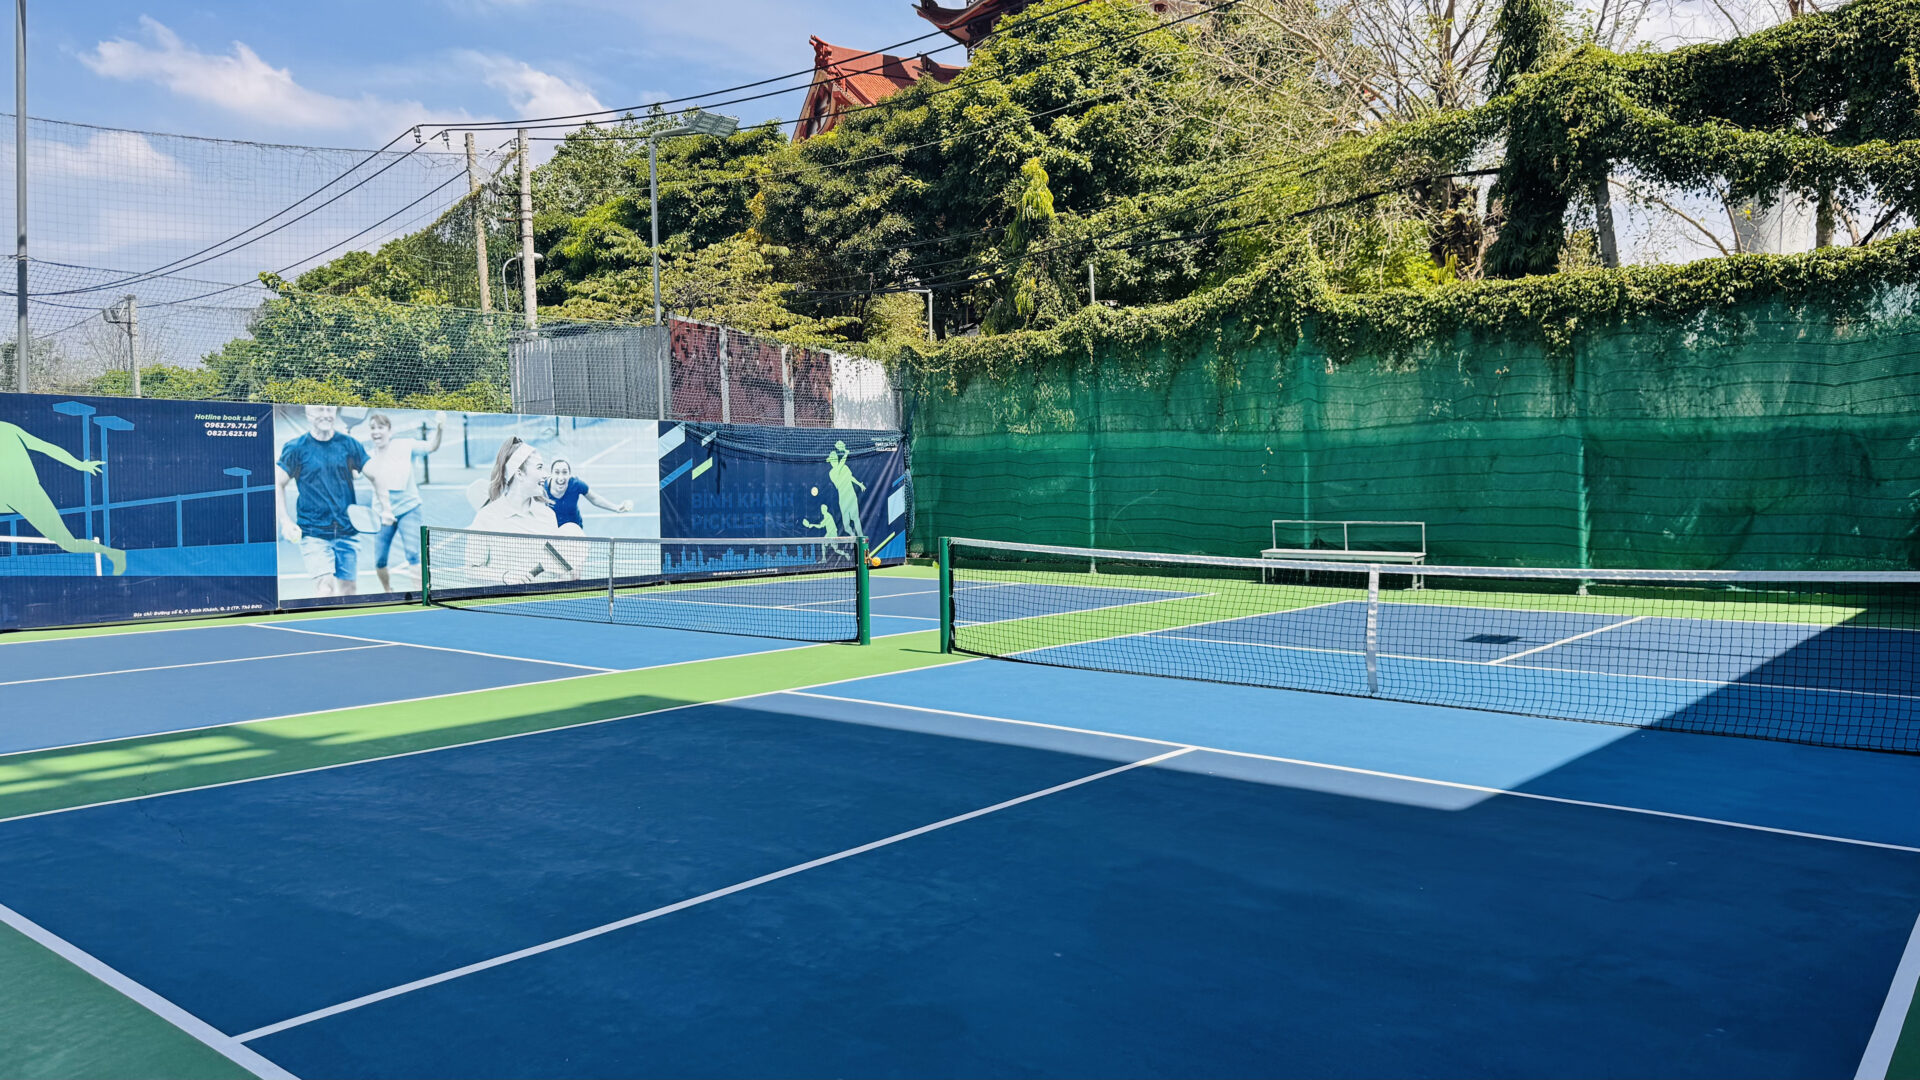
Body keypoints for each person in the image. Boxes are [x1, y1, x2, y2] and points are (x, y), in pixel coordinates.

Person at [0, 420, 126, 574]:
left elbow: (46, 447)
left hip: (26, 493)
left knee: (70, 545)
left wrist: (79, 465)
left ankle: (113, 553)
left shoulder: (7, 429)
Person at [276, 405, 369, 597]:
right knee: (325, 587)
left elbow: (375, 474)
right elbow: (277, 483)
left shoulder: (350, 444)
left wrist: (385, 505)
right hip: (313, 532)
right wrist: (285, 521)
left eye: (329, 410)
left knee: (349, 590)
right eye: (320, 410)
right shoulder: (296, 448)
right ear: (308, 414)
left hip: (347, 530)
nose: (326, 415)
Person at [462, 436, 571, 585]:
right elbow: (471, 570)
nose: (546, 474)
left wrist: (568, 574)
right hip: (503, 598)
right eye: (539, 467)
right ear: (519, 474)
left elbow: (556, 565)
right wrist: (505, 577)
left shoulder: (548, 515)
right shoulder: (486, 517)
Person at [363, 411, 445, 592]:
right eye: (373, 428)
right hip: (382, 514)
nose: (376, 431)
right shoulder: (367, 456)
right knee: (379, 560)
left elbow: (432, 446)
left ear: (389, 431)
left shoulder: (404, 446)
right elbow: (353, 473)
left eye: (380, 427)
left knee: (413, 554)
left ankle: (420, 594)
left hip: (409, 508)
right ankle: (387, 591)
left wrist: (440, 427)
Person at [543, 457, 631, 530]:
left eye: (565, 472)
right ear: (551, 474)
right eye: (557, 472)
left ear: (570, 475)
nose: (561, 477)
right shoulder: (542, 488)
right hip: (552, 530)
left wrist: (616, 508)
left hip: (574, 530)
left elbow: (594, 499)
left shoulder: (576, 485)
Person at [826, 440, 868, 538]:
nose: (833, 462)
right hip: (843, 499)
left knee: (856, 519)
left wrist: (860, 484)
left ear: (837, 459)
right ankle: (853, 537)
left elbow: (850, 477)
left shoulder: (844, 467)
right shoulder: (832, 473)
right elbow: (839, 467)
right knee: (846, 527)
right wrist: (846, 453)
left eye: (835, 459)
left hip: (851, 496)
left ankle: (861, 539)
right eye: (832, 460)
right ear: (830, 462)